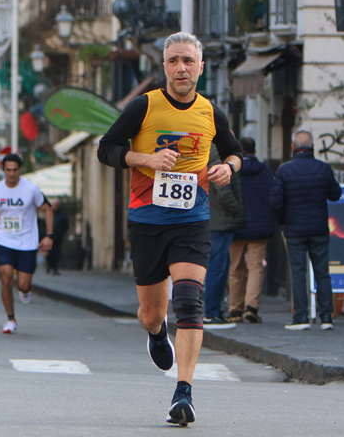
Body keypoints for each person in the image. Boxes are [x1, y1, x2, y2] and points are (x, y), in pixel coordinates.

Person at [97, 31, 242, 427]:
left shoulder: (211, 112)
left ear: (200, 67)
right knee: (150, 313)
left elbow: (235, 151)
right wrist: (147, 158)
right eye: (174, 60)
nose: (181, 68)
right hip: (147, 222)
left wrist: (228, 168)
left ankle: (184, 392)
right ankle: (157, 333)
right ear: (164, 66)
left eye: (188, 60)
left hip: (192, 221)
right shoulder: (143, 106)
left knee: (190, 302)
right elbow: (105, 148)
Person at [269, 130, 342, 331]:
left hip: (294, 230)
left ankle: (301, 316)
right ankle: (326, 317)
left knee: (298, 273)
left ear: (293, 147)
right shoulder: (323, 168)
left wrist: (283, 221)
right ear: (313, 148)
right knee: (322, 273)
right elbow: (335, 194)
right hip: (319, 229)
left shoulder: (284, 170)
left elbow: (275, 202)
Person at [0, 153, 54, 335]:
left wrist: (49, 235)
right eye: (8, 170)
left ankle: (26, 290)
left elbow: (48, 210)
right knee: (5, 278)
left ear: (20, 170)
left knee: (23, 285)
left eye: (15, 170)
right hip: (4, 240)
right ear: (3, 170)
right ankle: (11, 319)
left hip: (27, 242)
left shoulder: (31, 189)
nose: (12, 174)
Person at [227, 137, 276, 324]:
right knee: (256, 267)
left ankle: (235, 308)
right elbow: (272, 197)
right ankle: (251, 307)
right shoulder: (266, 171)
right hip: (259, 227)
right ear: (255, 151)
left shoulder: (231, 170)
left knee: (235, 268)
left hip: (236, 225)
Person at [202, 145, 245, 328]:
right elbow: (223, 190)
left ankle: (215, 311)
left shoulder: (213, 151)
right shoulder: (217, 152)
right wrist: (238, 210)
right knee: (217, 267)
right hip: (219, 219)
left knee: (219, 266)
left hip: (215, 218)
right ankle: (211, 313)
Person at [45, 199, 70, 275]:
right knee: (49, 253)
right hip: (50, 237)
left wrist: (61, 233)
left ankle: (55, 267)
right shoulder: (50, 214)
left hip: (58, 238)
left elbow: (66, 226)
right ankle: (50, 266)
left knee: (56, 253)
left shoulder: (62, 215)